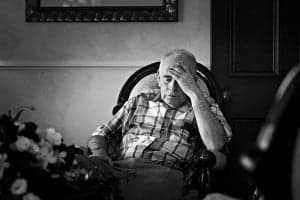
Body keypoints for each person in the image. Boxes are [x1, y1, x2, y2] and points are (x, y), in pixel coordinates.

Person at [87, 49, 232, 199]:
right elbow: (101, 133)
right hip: (120, 169)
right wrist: (100, 155)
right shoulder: (139, 101)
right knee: (74, 168)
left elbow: (216, 145)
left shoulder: (204, 105)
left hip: (164, 174)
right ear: (158, 77)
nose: (172, 88)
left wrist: (195, 94)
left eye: (182, 81)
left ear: (193, 81)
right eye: (167, 79)